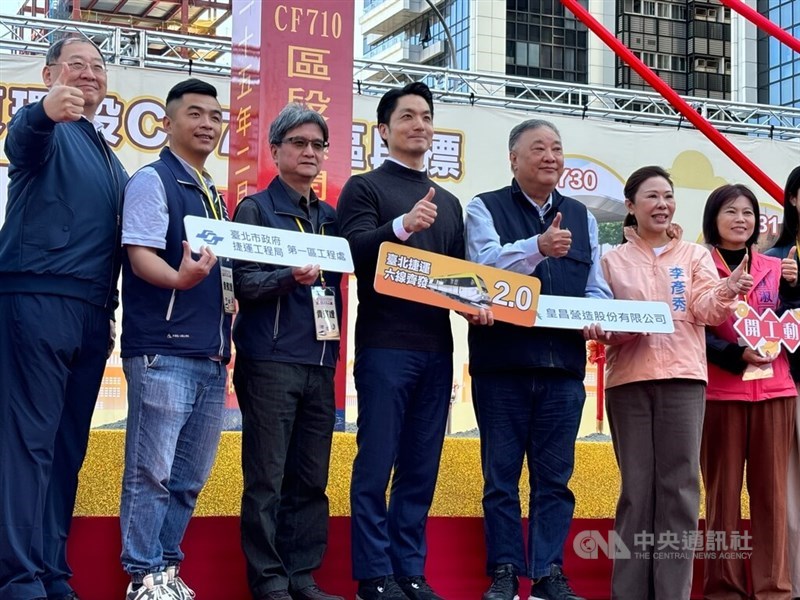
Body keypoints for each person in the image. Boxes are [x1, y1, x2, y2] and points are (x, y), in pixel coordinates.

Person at [338, 81, 490, 600]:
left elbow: (459, 278)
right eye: (407, 116)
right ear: (383, 130)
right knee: (376, 463)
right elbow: (352, 252)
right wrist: (400, 227)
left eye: (426, 116)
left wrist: (477, 305)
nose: (419, 124)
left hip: (437, 351)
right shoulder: (364, 189)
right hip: (384, 346)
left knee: (421, 467)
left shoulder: (448, 202)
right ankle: (374, 576)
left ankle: (409, 571)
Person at [584, 165, 752, 599]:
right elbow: (602, 316)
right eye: (652, 197)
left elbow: (705, 309)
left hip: (683, 379)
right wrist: (603, 327)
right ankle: (629, 593)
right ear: (631, 205)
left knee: (680, 490)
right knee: (636, 490)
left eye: (668, 197)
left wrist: (729, 289)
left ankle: (672, 592)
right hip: (629, 381)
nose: (662, 205)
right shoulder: (611, 259)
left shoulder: (693, 256)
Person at [0, 37, 127, 600]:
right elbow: (21, 140)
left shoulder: (110, 157)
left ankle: (50, 571)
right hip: (37, 298)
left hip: (93, 313)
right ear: (50, 74)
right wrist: (42, 112)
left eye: (98, 66)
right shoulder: (47, 125)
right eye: (77, 65)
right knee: (28, 443)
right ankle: (17, 578)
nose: (90, 74)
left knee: (67, 448)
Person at [465, 118, 611, 600]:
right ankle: (505, 570)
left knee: (555, 480)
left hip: (563, 368)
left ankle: (548, 573)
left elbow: (595, 286)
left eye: (557, 148)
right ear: (513, 158)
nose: (551, 157)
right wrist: (537, 248)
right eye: (539, 148)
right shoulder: (483, 207)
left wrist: (595, 315)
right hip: (502, 365)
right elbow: (483, 268)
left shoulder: (581, 217)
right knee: (500, 478)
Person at [118, 78, 232, 600]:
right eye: (195, 114)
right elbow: (140, 255)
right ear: (167, 123)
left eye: (215, 116)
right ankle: (142, 575)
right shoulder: (153, 180)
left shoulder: (212, 193)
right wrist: (179, 280)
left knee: (188, 478)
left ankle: (166, 569)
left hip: (210, 354)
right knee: (152, 472)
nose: (207, 124)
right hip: (163, 349)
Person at [232, 103, 343, 600]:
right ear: (275, 151)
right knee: (266, 479)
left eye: (318, 145)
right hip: (270, 362)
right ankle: (269, 581)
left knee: (311, 479)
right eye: (298, 142)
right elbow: (243, 283)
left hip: (320, 362)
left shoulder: (330, 218)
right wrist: (287, 276)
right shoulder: (255, 210)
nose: (309, 152)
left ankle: (302, 575)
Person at [700, 183, 796, 599]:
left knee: (773, 496)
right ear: (713, 219)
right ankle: (724, 588)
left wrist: (795, 289)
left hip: (776, 390)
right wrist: (735, 355)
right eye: (731, 211)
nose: (741, 220)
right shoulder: (699, 265)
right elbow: (694, 328)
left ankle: (774, 589)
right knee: (721, 497)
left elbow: (791, 321)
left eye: (748, 213)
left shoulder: (777, 266)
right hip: (720, 393)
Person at [765, 165, 800, 600]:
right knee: (792, 493)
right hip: (791, 383)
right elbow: (760, 323)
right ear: (793, 198)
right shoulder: (775, 259)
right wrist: (789, 291)